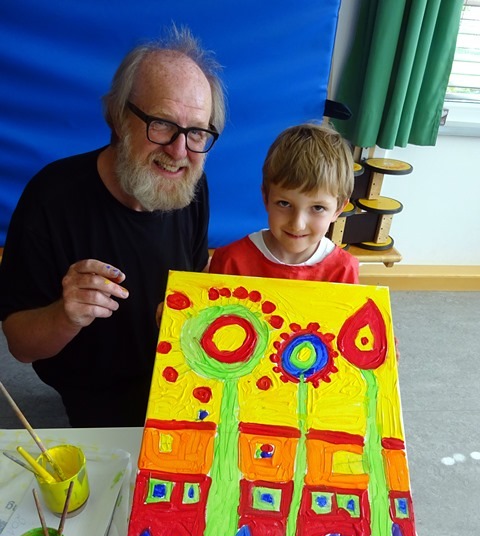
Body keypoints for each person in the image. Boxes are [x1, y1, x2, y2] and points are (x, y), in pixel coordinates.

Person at [0, 26, 226, 427]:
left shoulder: (193, 187)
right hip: (93, 394)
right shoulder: (51, 197)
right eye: (162, 124)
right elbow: (20, 345)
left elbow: (195, 278)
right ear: (121, 118)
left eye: (196, 132)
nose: (179, 151)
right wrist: (65, 315)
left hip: (175, 376)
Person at [209, 122, 359, 283]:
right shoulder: (230, 261)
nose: (297, 225)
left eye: (317, 207)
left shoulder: (343, 270)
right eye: (284, 204)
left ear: (338, 209)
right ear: (266, 198)